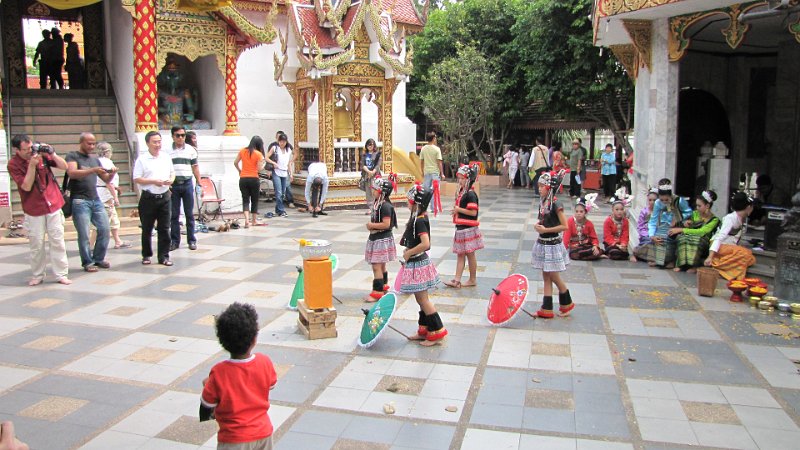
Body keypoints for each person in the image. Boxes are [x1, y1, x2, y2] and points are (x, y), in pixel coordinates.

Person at [200, 303, 277, 450]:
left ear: (222, 342)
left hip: (234, 439)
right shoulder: (264, 362)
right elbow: (271, 384)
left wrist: (207, 385)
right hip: (263, 434)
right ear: (254, 339)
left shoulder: (219, 372)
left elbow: (207, 405)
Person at [7, 135, 71, 286]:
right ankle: (37, 274)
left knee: (57, 240)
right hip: (34, 207)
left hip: (53, 203)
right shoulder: (13, 164)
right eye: (26, 149)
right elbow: (26, 186)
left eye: (31, 147)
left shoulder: (40, 154)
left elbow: (64, 167)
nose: (30, 151)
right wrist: (31, 166)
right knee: (36, 243)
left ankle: (61, 274)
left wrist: (52, 153)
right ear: (16, 150)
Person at [402, 184, 447, 346]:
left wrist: (409, 252)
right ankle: (425, 330)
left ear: (416, 203)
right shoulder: (418, 218)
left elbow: (426, 244)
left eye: (409, 200)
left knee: (423, 300)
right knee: (420, 299)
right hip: (417, 262)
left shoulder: (420, 221)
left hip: (419, 263)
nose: (407, 203)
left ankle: (437, 332)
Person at [66, 132, 114, 272]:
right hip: (80, 200)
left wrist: (112, 173)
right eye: (89, 143)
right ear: (81, 142)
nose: (92, 146)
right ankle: (87, 261)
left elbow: (106, 179)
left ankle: (98, 258)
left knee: (105, 229)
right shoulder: (73, 156)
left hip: (95, 199)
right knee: (84, 234)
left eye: (94, 144)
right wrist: (92, 170)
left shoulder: (95, 160)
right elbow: (72, 173)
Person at [531, 172, 574, 318]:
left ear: (549, 188)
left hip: (552, 244)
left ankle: (567, 303)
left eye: (542, 186)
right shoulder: (543, 202)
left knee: (553, 275)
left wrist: (546, 230)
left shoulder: (556, 204)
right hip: (544, 242)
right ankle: (547, 308)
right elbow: (544, 220)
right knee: (546, 275)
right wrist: (538, 225)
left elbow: (565, 226)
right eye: (539, 186)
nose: (539, 189)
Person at [133, 131, 175, 266]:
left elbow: (172, 172)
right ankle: (146, 254)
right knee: (147, 228)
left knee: (164, 228)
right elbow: (137, 178)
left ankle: (164, 256)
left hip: (165, 196)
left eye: (159, 141)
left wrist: (171, 180)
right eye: (154, 142)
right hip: (149, 197)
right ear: (147, 143)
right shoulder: (142, 159)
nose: (158, 145)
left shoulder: (166, 157)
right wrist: (153, 181)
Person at [444, 164, 483, 288]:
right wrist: (457, 211)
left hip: (468, 229)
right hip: (461, 228)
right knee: (460, 254)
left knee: (470, 254)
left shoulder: (471, 194)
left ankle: (472, 279)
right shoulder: (462, 192)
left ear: (468, 179)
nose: (460, 181)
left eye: (462, 178)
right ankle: (457, 280)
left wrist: (458, 210)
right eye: (459, 178)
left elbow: (473, 212)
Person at [704, 192, 756, 281]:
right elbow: (719, 237)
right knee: (745, 254)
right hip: (719, 246)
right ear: (748, 207)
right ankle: (720, 269)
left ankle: (722, 265)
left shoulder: (741, 218)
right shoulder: (730, 218)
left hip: (728, 246)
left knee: (751, 259)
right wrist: (710, 256)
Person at [364, 176, 397, 302]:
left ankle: (377, 292)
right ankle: (383, 287)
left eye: (375, 189)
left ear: (382, 192)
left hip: (381, 239)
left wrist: (371, 225)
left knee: (376, 266)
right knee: (381, 265)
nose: (373, 191)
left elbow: (386, 224)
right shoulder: (378, 204)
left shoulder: (385, 206)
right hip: (378, 238)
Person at [169, 126, 202, 249]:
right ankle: (175, 241)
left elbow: (195, 167)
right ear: (173, 136)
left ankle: (191, 240)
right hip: (174, 185)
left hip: (187, 183)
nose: (180, 138)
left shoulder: (190, 150)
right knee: (174, 215)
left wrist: (199, 182)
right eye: (178, 135)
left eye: (183, 135)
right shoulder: (167, 151)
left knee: (189, 214)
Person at [648, 178, 692, 269]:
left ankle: (671, 260)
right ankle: (660, 261)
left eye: (666, 199)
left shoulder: (679, 201)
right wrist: (651, 235)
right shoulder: (657, 203)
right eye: (662, 199)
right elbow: (653, 220)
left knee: (669, 237)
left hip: (677, 226)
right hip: (663, 225)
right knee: (658, 237)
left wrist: (677, 219)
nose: (664, 202)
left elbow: (689, 212)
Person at [94, 142, 130, 249]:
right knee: (102, 222)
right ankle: (91, 244)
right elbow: (108, 182)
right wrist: (115, 197)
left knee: (114, 220)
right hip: (105, 195)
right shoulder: (106, 163)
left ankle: (117, 240)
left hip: (103, 192)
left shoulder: (97, 161)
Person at [673, 190, 720, 273]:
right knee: (682, 238)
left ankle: (695, 266)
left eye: (699, 206)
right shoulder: (694, 214)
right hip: (690, 235)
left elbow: (702, 232)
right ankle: (681, 265)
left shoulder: (714, 220)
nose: (697, 208)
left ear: (707, 206)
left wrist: (682, 229)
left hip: (704, 240)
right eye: (696, 205)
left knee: (696, 240)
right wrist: (686, 223)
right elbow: (685, 222)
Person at [234, 136, 266, 228]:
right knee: (254, 200)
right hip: (254, 179)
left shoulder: (242, 151)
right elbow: (259, 169)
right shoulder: (258, 154)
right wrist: (264, 164)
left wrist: (239, 170)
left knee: (245, 200)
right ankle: (254, 220)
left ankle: (247, 221)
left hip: (243, 179)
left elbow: (235, 162)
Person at [563, 196, 603, 260]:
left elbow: (594, 238)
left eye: (581, 212)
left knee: (595, 251)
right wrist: (563, 250)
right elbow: (566, 238)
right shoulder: (570, 221)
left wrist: (595, 246)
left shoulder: (589, 223)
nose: (578, 213)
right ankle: (592, 255)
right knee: (574, 255)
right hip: (574, 246)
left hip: (586, 245)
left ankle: (592, 254)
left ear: (585, 212)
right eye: (576, 211)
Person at [265, 133, 293, 217]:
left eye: (283, 142)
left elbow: (289, 163)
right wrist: (273, 163)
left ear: (286, 142)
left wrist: (291, 173)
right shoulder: (275, 148)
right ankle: (281, 210)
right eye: (280, 141)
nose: (282, 143)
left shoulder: (288, 150)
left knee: (283, 192)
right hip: (276, 172)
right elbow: (266, 157)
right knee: (279, 192)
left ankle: (278, 209)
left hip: (284, 172)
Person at [633, 188, 658, 263]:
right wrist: (647, 234)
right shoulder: (644, 211)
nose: (652, 202)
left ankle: (645, 255)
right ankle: (638, 253)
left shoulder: (660, 212)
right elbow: (640, 226)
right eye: (650, 200)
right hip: (646, 235)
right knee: (649, 242)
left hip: (656, 234)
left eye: (654, 200)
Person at [603, 195, 632, 260]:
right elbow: (607, 236)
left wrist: (623, 243)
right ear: (612, 210)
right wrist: (616, 244)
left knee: (624, 253)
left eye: (621, 209)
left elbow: (625, 234)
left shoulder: (625, 221)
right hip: (610, 243)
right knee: (614, 252)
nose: (619, 211)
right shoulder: (608, 221)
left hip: (621, 244)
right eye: (617, 209)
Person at [361, 138, 381, 215]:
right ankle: (370, 207)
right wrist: (368, 172)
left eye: (371, 145)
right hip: (367, 175)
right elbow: (363, 165)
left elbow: (378, 165)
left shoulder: (377, 154)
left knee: (375, 191)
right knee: (368, 192)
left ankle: (376, 207)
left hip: (375, 175)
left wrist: (372, 172)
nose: (370, 146)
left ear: (374, 145)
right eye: (368, 145)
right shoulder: (364, 155)